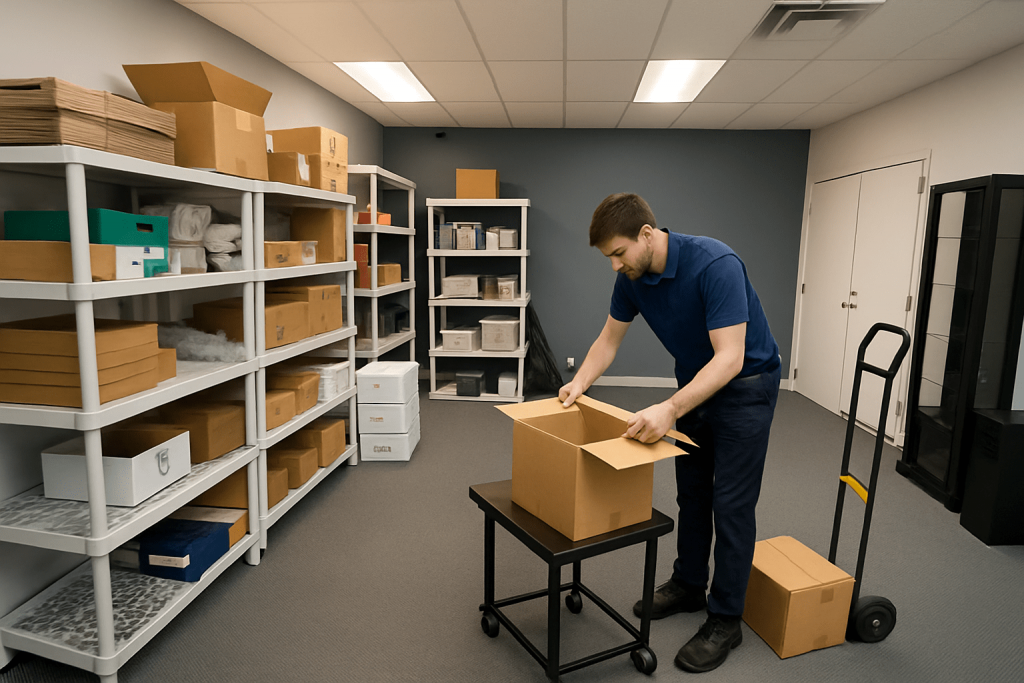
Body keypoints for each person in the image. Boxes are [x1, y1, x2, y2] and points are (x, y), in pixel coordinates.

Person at [559, 193, 781, 674]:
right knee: (693, 494)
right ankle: (688, 585)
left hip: (746, 386)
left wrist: (670, 407)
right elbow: (608, 338)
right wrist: (578, 383)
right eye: (608, 259)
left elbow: (730, 358)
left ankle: (726, 618)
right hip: (695, 385)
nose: (615, 265)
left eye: (618, 253)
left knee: (732, 505)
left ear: (646, 234)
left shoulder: (714, 263)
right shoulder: (633, 278)